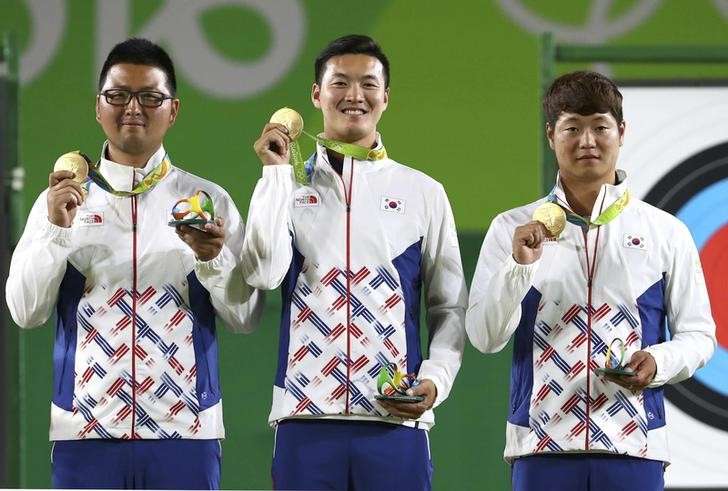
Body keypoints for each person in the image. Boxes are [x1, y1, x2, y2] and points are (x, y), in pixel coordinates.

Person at [5, 37, 263, 489]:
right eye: (118, 95)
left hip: (187, 431)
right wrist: (56, 230)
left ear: (173, 110)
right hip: (84, 429)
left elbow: (246, 317)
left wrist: (213, 259)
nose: (133, 108)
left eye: (150, 97)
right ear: (98, 106)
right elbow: (26, 312)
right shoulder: (61, 202)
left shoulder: (208, 200)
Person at [465, 70, 716, 491]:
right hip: (539, 445)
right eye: (572, 128)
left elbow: (700, 336)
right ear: (551, 135)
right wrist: (518, 266)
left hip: (635, 446)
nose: (587, 141)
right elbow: (484, 337)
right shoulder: (511, 227)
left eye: (600, 127)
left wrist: (658, 363)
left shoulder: (665, 231)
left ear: (621, 131)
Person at [242, 34, 467, 490]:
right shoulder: (285, 185)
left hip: (395, 421)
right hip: (304, 421)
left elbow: (450, 309)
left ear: (385, 96)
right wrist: (274, 175)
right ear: (316, 94)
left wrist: (436, 381)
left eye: (368, 83)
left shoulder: (423, 192)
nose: (354, 95)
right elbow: (263, 274)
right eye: (340, 82)